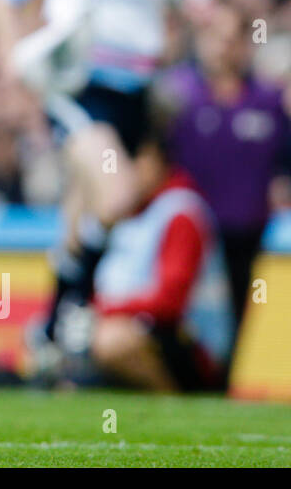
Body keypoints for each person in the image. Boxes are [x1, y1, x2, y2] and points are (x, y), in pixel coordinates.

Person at [0, 0, 215, 371]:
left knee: (84, 215)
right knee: (116, 198)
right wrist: (11, 59)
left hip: (138, 94)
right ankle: (77, 308)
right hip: (76, 86)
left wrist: (219, 27)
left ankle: (50, 325)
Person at [162, 3, 291, 381]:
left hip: (244, 233)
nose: (224, 48)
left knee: (234, 320)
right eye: (217, 38)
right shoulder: (178, 96)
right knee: (186, 323)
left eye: (233, 38)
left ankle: (219, 385)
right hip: (187, 237)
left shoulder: (267, 101)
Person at [90, 96, 234, 393]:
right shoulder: (137, 213)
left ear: (155, 158)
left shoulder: (180, 212)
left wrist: (106, 308)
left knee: (112, 342)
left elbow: (170, 300)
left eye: (133, 161)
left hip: (189, 342)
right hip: (150, 330)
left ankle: (171, 402)